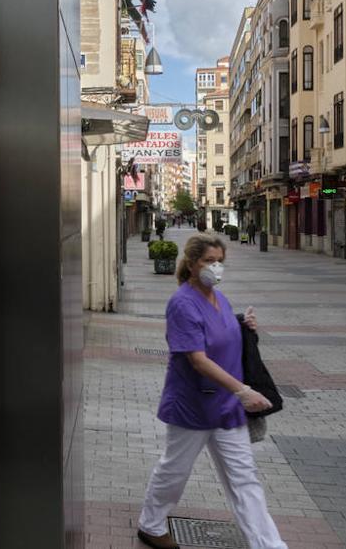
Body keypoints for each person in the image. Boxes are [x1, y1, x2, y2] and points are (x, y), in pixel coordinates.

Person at [136, 234, 288, 549]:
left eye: (219, 261)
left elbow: (219, 330)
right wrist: (243, 390)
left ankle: (269, 545)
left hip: (227, 407)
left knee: (245, 479)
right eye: (208, 261)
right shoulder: (181, 303)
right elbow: (197, 359)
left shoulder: (219, 298)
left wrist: (243, 324)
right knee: (174, 472)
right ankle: (150, 525)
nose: (215, 267)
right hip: (193, 407)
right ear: (191, 264)